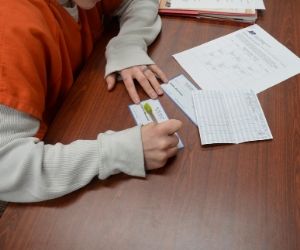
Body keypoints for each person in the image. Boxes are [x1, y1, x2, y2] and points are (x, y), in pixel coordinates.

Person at [0, 0, 182, 202]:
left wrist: (127, 43)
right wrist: (120, 151)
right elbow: (6, 168)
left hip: (70, 115)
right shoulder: (10, 30)